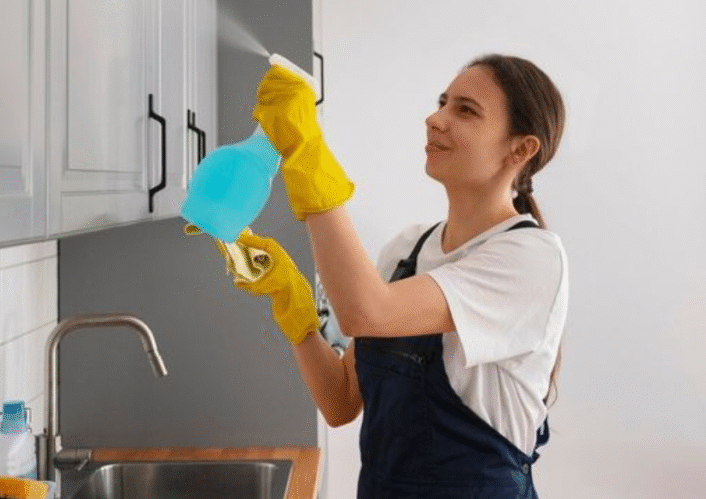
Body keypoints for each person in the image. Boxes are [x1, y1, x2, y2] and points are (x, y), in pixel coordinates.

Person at [222, 54, 569, 498]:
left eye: (465, 110)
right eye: (442, 102)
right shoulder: (408, 250)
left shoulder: (530, 257)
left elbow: (366, 312)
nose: (435, 118)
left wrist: (308, 154)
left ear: (520, 149)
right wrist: (290, 302)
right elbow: (341, 401)